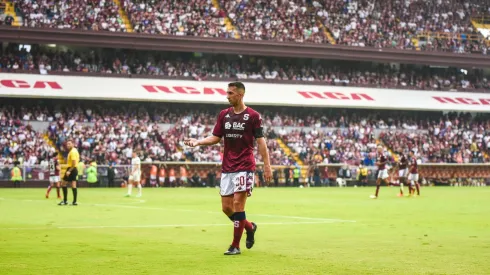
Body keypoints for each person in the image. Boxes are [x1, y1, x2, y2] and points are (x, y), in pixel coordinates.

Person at [184, 82, 272, 256]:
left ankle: (235, 245)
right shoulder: (224, 115)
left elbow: (261, 142)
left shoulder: (253, 116)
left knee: (238, 204)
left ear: (240, 95)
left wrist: (267, 165)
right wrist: (198, 142)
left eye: (230, 93)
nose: (227, 96)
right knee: (226, 208)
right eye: (227, 92)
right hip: (228, 166)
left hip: (245, 166)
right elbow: (216, 137)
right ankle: (249, 226)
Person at [59, 140, 79, 206]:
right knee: (72, 185)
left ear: (73, 144)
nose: (68, 145)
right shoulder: (74, 150)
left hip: (71, 169)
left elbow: (73, 163)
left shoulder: (72, 152)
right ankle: (74, 201)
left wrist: (69, 171)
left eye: (69, 144)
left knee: (63, 184)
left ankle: (65, 201)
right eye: (67, 144)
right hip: (74, 169)